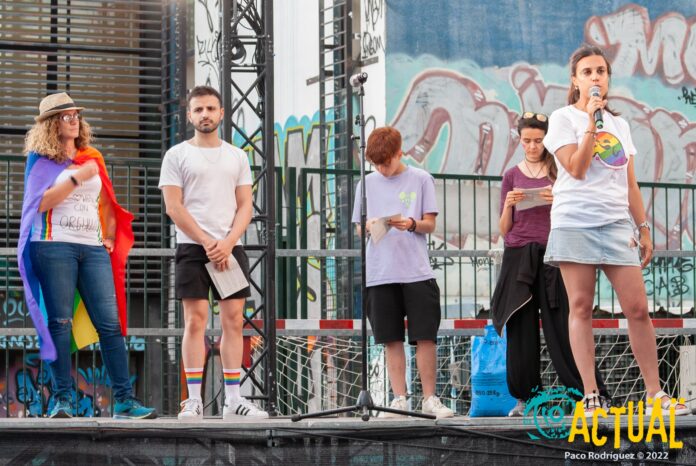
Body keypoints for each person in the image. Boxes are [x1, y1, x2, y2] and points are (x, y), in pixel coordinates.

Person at [543, 45, 689, 416]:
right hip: (575, 221)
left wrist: (643, 228)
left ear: (608, 78)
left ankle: (654, 394)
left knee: (638, 308)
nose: (595, 77)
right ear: (574, 80)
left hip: (616, 223)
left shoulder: (621, 124)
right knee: (580, 306)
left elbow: (630, 183)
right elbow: (575, 168)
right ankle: (591, 394)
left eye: (601, 71)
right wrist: (591, 122)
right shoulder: (562, 119)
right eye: (587, 72)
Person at [18, 92, 156, 419]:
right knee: (60, 323)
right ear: (51, 124)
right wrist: (78, 177)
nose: (74, 120)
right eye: (66, 116)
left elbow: (106, 198)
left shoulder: (92, 155)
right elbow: (40, 202)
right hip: (53, 246)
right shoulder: (40, 159)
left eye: (76, 114)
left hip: (92, 248)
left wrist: (109, 234)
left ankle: (124, 400)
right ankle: (62, 399)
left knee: (110, 324)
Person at [159, 85, 267, 420]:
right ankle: (192, 400)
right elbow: (174, 207)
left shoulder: (237, 156)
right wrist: (207, 241)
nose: (205, 114)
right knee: (195, 321)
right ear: (189, 115)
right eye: (198, 109)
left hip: (229, 248)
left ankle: (234, 399)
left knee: (234, 320)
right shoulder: (176, 155)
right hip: (193, 248)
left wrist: (229, 241)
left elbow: (246, 204)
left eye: (210, 108)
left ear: (222, 113)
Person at [491, 112, 609, 417]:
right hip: (519, 255)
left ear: (548, 139)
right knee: (521, 327)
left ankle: (584, 392)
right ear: (519, 139)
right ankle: (525, 398)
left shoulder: (560, 171)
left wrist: (556, 199)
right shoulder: (510, 176)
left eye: (538, 140)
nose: (532, 147)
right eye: (527, 141)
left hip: (554, 253)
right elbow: (504, 229)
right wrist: (509, 205)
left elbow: (573, 208)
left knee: (564, 323)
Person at [352, 126, 454, 419]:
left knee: (425, 336)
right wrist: (369, 226)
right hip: (380, 272)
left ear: (400, 153)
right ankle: (399, 399)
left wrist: (410, 223)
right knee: (390, 339)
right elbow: (359, 228)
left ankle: (430, 398)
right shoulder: (366, 184)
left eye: (387, 162)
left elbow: (430, 224)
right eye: (377, 164)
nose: (382, 169)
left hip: (416, 271)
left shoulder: (421, 179)